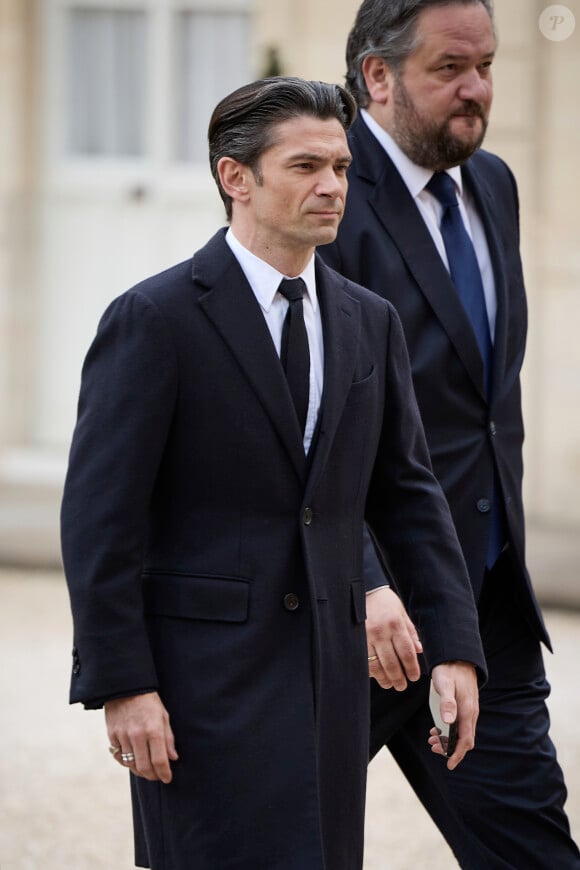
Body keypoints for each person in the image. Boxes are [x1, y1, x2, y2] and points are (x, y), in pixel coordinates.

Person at [60, 76, 486, 870]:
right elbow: (100, 522)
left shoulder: (370, 321)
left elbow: (408, 496)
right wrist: (123, 685)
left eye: (342, 167)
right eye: (305, 166)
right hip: (198, 693)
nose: (332, 187)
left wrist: (455, 647)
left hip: (332, 686)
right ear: (236, 177)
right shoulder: (153, 320)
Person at [320, 1, 580, 868]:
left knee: (536, 852)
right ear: (378, 77)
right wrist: (363, 580)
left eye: (488, 66)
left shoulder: (493, 183)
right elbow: (296, 421)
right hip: (348, 620)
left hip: (485, 610)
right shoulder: (324, 196)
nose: (478, 91)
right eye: (450, 70)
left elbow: (479, 404)